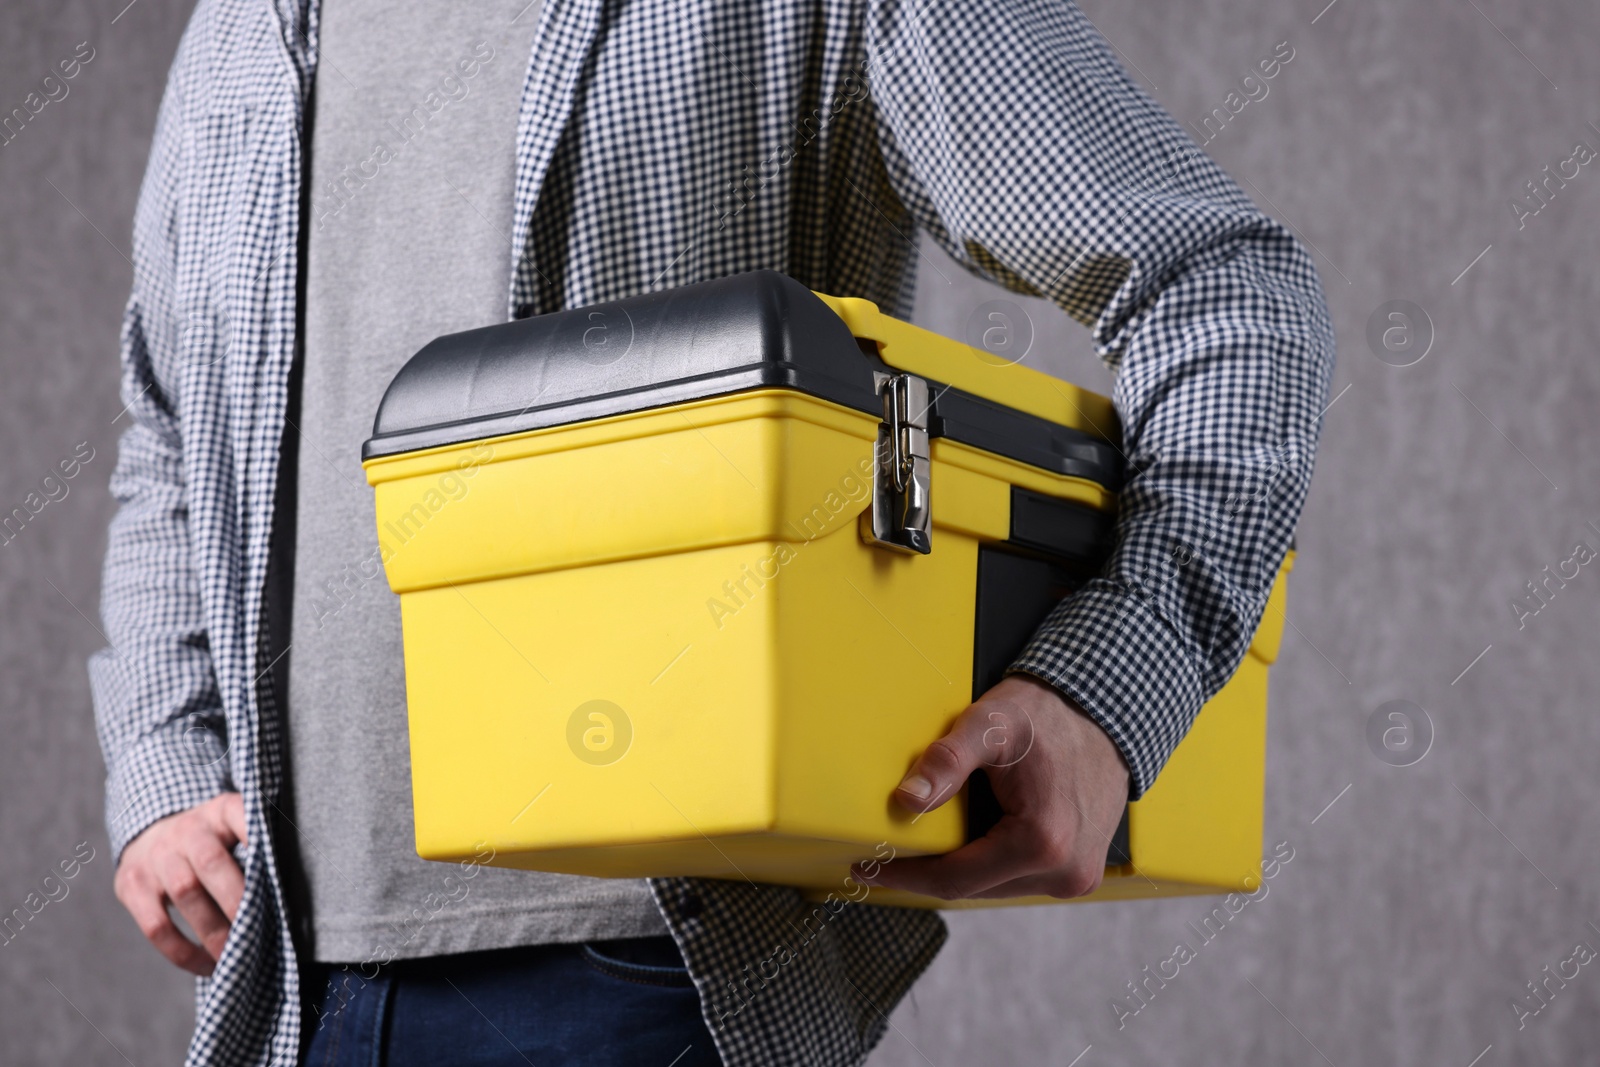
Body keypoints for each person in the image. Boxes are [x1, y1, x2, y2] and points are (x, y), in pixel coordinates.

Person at [89, 0, 1335, 1064]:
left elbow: (1223, 288)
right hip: (280, 984)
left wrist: (1111, 684)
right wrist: (160, 760)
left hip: (640, 983)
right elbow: (171, 424)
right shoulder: (245, 23)